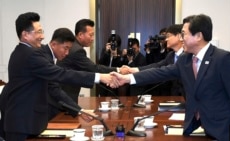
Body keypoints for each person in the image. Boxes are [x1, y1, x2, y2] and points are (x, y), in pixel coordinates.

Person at [112, 14, 230, 141]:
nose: (181, 38)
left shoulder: (222, 59)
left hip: (223, 129)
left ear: (198, 36)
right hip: (197, 128)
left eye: (183, 34)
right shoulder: (185, 59)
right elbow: (160, 72)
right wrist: (128, 78)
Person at [0, 12, 117, 141]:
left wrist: (79, 110)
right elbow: (61, 73)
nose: (43, 36)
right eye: (38, 32)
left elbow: (52, 87)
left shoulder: (24, 52)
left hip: (24, 121)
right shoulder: (31, 55)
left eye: (42, 31)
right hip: (22, 123)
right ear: (25, 34)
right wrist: (99, 77)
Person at [57, 19, 126, 102]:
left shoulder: (74, 46)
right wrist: (119, 70)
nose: (93, 39)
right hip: (63, 95)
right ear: (80, 35)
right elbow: (94, 68)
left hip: (65, 93)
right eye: (91, 35)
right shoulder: (77, 50)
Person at [126, 24, 185, 97]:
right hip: (174, 98)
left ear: (179, 36)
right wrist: (135, 69)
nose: (166, 39)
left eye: (168, 36)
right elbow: (157, 66)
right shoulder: (171, 55)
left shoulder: (189, 55)